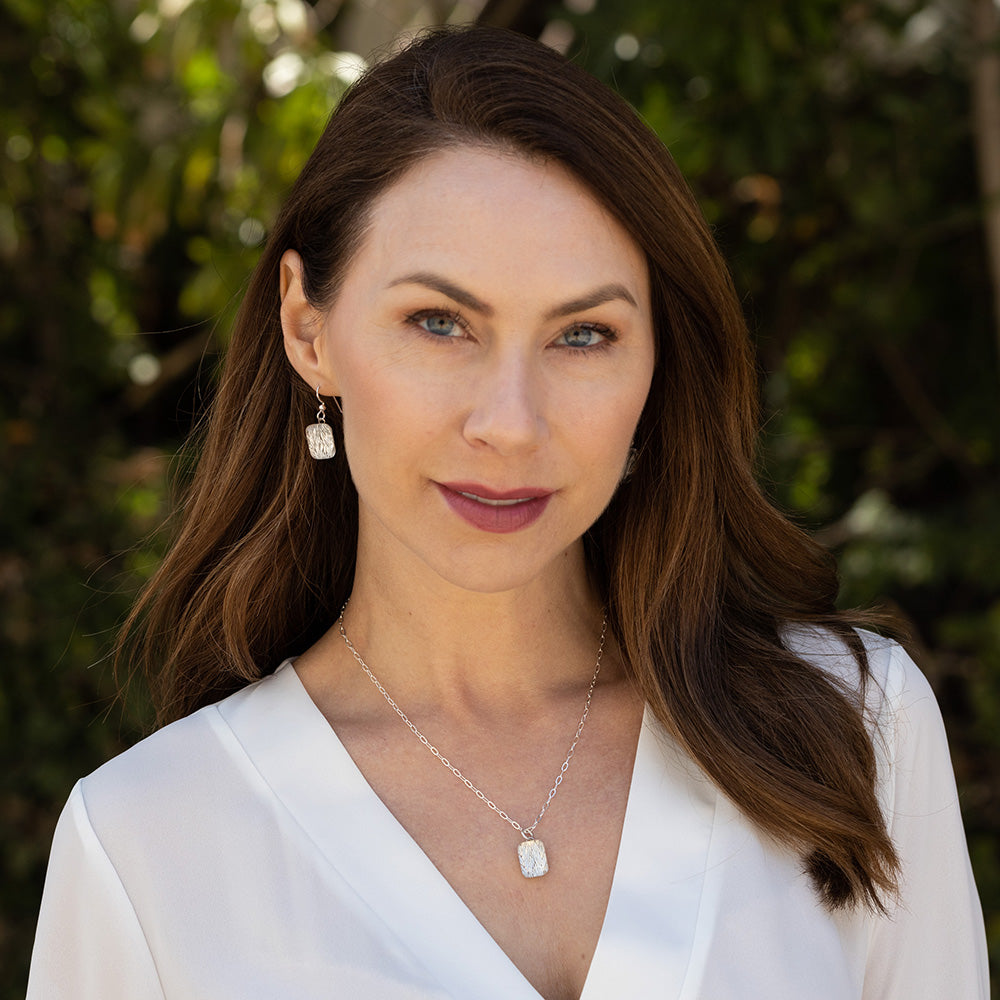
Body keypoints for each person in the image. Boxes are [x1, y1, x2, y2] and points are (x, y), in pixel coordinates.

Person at [27, 24, 987, 1000]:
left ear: (656, 362)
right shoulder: (145, 845)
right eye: (439, 322)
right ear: (306, 328)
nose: (510, 423)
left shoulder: (855, 730)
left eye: (582, 334)